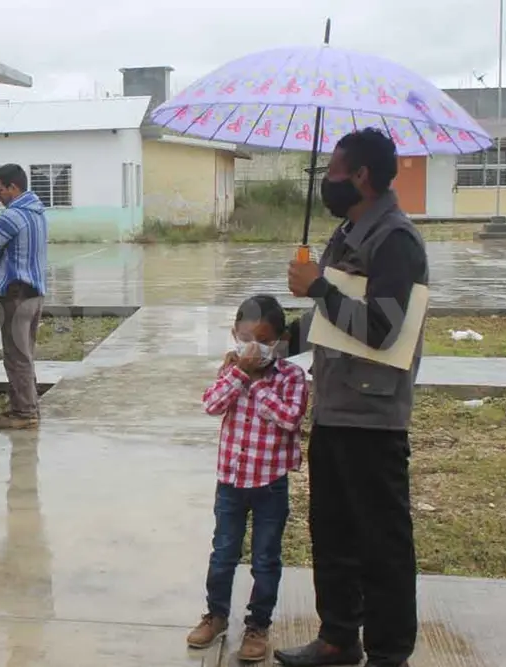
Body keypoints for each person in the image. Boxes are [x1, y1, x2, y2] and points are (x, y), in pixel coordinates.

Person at [276, 128, 427, 667]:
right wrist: (277, 342)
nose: (328, 183)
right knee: (333, 531)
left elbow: (383, 326)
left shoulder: (396, 241)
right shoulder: (347, 234)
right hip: (336, 404)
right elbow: (328, 319)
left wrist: (319, 285)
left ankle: (390, 654)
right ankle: (339, 638)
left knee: (381, 543)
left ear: (361, 175)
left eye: (334, 173)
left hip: (375, 415)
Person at [188, 295, 308, 663]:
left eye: (263, 340)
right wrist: (240, 373)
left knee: (265, 557)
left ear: (279, 340)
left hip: (270, 484)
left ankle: (258, 625)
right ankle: (216, 614)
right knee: (223, 551)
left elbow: (290, 419)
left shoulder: (291, 377)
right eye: (244, 338)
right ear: (234, 334)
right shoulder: (231, 370)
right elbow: (211, 405)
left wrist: (257, 383)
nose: (253, 348)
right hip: (231, 482)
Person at [0, 164, 48, 430]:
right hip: (35, 294)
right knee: (26, 353)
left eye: (0, 189)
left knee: (15, 355)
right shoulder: (39, 213)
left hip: (15, 294)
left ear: (13, 188)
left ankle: (24, 412)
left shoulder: (11, 216)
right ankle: (30, 405)